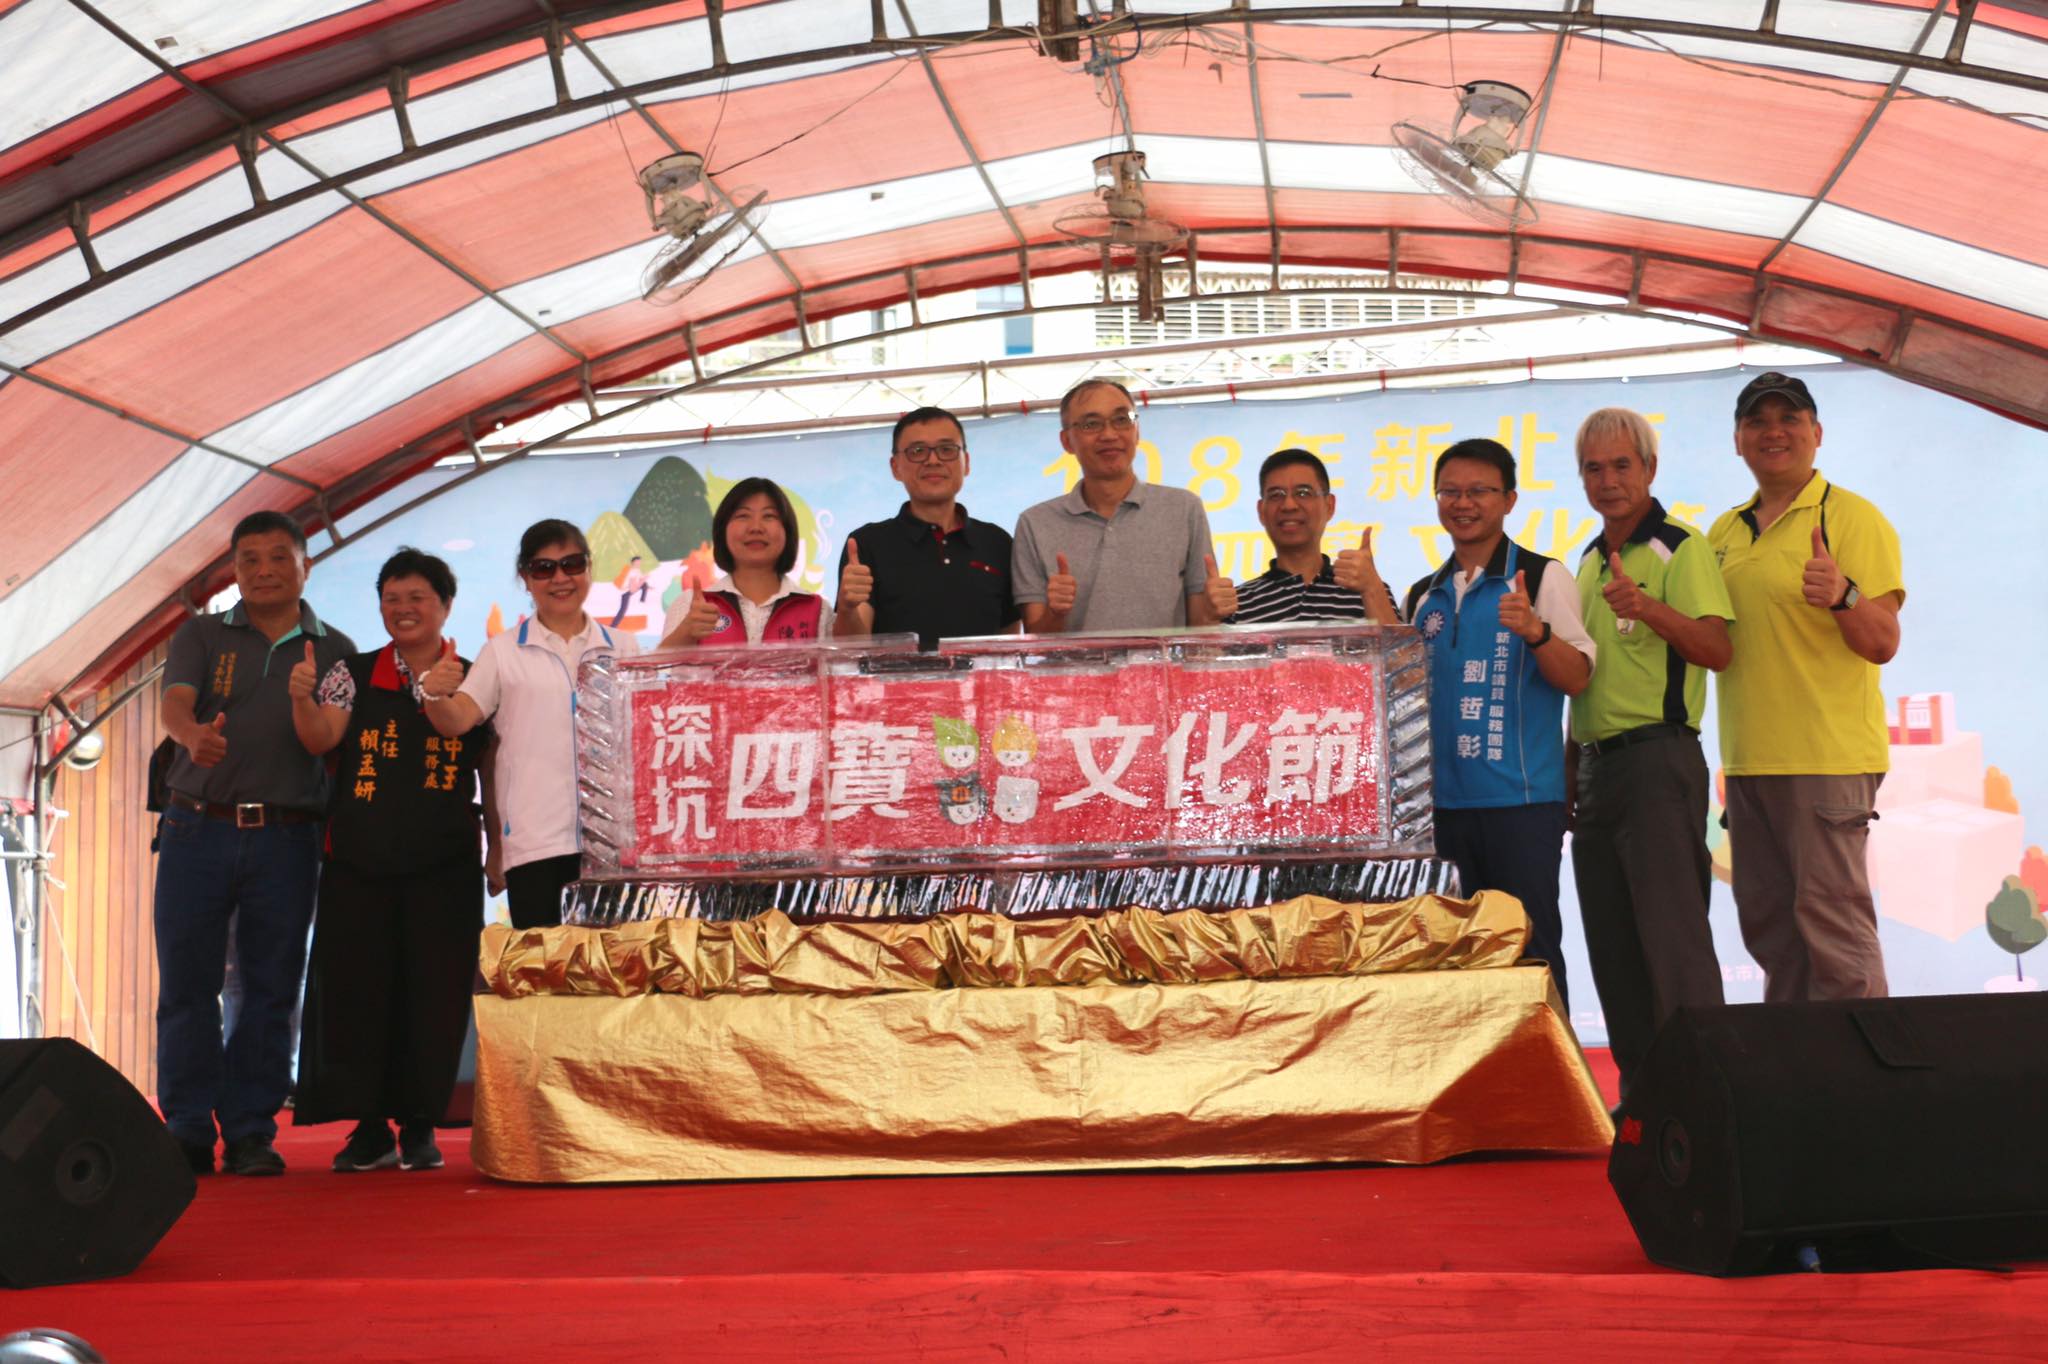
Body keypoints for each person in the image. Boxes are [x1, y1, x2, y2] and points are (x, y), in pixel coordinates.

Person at [154, 511, 357, 1176]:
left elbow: (330, 740)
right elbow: (175, 702)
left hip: (288, 837)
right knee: (188, 984)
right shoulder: (202, 633)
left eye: (278, 557)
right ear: (234, 570)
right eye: (250, 560)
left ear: (305, 566)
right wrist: (190, 736)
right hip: (195, 827)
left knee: (271, 988)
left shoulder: (337, 650)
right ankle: (187, 1127)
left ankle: (249, 1130)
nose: (264, 570)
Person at [289, 548, 492, 1174]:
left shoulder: (475, 675)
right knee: (359, 993)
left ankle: (420, 1125)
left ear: (445, 606)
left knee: (434, 995)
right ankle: (370, 1128)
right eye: (391, 599)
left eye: (417, 598)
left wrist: (500, 850)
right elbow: (321, 737)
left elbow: (490, 768)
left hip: (445, 867)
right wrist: (300, 699)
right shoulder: (350, 673)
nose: (403, 609)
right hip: (360, 865)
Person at [1709, 372, 1904, 1001]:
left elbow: (1883, 642)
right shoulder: (1724, 532)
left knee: (1837, 940)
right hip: (1748, 764)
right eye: (1757, 421)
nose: (1774, 432)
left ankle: (1865, 1066)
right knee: (1774, 940)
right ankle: (1796, 1063)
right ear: (1737, 440)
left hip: (1826, 760)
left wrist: (1843, 595)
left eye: (1789, 419)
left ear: (1817, 433)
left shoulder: (1851, 517)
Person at [1567, 409, 1732, 1098]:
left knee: (1674, 946)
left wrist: (1649, 608)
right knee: (1613, 949)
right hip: (1595, 770)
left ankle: (1709, 1103)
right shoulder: (1583, 561)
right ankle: (1644, 1103)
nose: (1608, 481)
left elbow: (1717, 649)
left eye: (1621, 465)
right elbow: (1583, 676)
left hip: (1658, 762)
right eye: (1594, 469)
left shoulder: (1680, 547)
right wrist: (1570, 767)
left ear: (1650, 469)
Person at [1401, 438, 1594, 1009]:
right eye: (1450, 492)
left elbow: (1577, 677)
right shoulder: (1424, 595)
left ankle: (1552, 1066)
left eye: (1479, 491)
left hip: (1522, 805)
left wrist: (1536, 632)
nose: (1463, 503)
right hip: (1442, 813)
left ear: (1509, 499)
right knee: (1458, 964)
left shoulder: (1541, 575)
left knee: (1531, 954)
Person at [423, 519, 635, 929]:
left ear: (589, 567)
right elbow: (458, 719)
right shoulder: (502, 652)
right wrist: (433, 694)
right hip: (536, 845)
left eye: (572, 564)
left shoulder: (623, 646)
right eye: (544, 568)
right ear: (525, 577)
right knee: (543, 966)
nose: (560, 578)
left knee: (615, 965)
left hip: (613, 845)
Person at [1011, 379, 1217, 633]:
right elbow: (1036, 638)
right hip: (1075, 662)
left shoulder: (1184, 509)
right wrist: (1056, 613)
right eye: (1091, 424)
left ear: (1137, 431)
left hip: (1163, 662)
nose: (1109, 435)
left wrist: (1213, 612)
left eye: (1121, 420)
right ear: (1067, 442)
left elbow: (1200, 631)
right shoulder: (1034, 524)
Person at [832, 406, 1021, 649]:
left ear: (966, 462)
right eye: (918, 451)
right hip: (895, 676)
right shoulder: (866, 544)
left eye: (946, 449)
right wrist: (846, 609)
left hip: (982, 676)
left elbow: (1009, 639)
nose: (933, 460)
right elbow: (852, 649)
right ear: (895, 467)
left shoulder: (997, 542)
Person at [1203, 448, 1400, 625]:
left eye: (1303, 493)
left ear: (1329, 506)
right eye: (1276, 495)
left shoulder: (1367, 589)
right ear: (1261, 511)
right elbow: (1211, 655)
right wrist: (1209, 619)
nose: (1289, 505)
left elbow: (1402, 654)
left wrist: (1372, 589)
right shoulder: (1237, 604)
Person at [659, 478, 832, 647]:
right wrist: (686, 632)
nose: (756, 527)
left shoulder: (818, 610)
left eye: (769, 516)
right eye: (743, 516)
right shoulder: (690, 605)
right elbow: (660, 665)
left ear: (787, 531)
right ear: (722, 530)